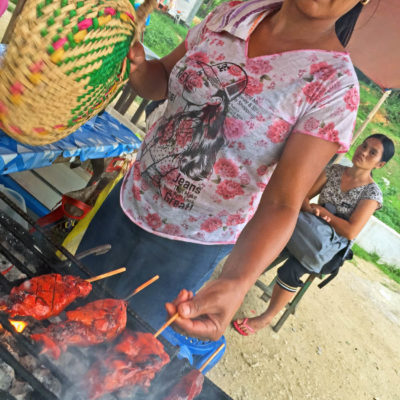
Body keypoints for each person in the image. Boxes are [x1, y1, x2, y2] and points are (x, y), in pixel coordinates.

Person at [76, 0, 368, 340]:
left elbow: (283, 203)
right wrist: (140, 69)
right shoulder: (233, 14)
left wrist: (237, 281)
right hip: (129, 201)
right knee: (67, 303)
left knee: (117, 349)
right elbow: (163, 80)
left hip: (190, 244)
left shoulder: (334, 87)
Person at [233, 133, 395, 335]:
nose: (363, 152)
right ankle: (235, 288)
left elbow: (351, 231)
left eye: (372, 153)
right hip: (306, 227)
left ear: (379, 164)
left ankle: (266, 317)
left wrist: (325, 213)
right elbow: (304, 196)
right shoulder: (334, 170)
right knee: (270, 240)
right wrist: (310, 209)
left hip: (328, 249)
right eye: (364, 146)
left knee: (293, 268)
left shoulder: (372, 194)